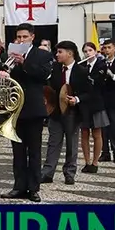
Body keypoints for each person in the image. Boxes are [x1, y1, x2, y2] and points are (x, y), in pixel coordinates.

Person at [0, 23, 52, 203]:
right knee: (18, 151)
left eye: (24, 37)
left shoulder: (42, 54)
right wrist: (4, 73)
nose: (21, 40)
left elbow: (43, 75)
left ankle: (34, 188)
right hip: (16, 108)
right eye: (18, 37)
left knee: (34, 151)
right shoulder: (10, 56)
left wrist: (25, 63)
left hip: (34, 107)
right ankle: (19, 186)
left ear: (32, 37)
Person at [42, 41, 83, 186]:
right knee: (53, 143)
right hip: (56, 112)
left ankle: (69, 173)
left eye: (60, 52)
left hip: (72, 112)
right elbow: (50, 87)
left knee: (72, 144)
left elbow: (90, 92)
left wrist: (77, 99)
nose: (57, 55)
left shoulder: (81, 70)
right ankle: (47, 173)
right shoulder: (55, 69)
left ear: (70, 53)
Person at [75, 41, 108, 173]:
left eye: (90, 50)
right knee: (84, 132)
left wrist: (86, 77)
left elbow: (98, 82)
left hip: (96, 102)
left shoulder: (101, 65)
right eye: (85, 51)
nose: (87, 53)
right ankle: (87, 161)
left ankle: (95, 162)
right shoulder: (82, 66)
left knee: (97, 133)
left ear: (95, 51)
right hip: (84, 103)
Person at [97, 39, 115, 164]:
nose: (107, 50)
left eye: (109, 47)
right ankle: (105, 152)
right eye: (105, 48)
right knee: (104, 128)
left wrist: (112, 76)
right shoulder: (101, 64)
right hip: (103, 100)